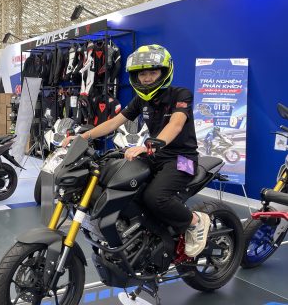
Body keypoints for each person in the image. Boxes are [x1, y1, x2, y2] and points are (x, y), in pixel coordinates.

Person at [62, 44, 210, 258]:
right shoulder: (141, 100)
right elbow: (114, 122)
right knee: (121, 183)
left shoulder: (181, 94)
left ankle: (195, 221)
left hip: (182, 158)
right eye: (142, 74)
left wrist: (153, 143)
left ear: (164, 72)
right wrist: (82, 138)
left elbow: (176, 124)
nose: (147, 78)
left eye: (153, 72)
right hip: (155, 155)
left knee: (155, 197)